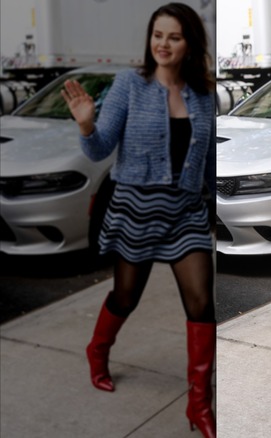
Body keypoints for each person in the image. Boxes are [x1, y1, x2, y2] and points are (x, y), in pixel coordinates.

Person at [60, 3, 216, 437]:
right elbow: (100, 149)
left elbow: (207, 161)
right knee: (125, 296)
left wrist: (219, 208)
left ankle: (199, 405)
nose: (163, 44)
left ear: (189, 44)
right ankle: (97, 350)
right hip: (136, 210)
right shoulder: (130, 85)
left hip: (186, 211)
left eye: (174, 37)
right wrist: (87, 126)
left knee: (201, 302)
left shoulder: (203, 94)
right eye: (157, 35)